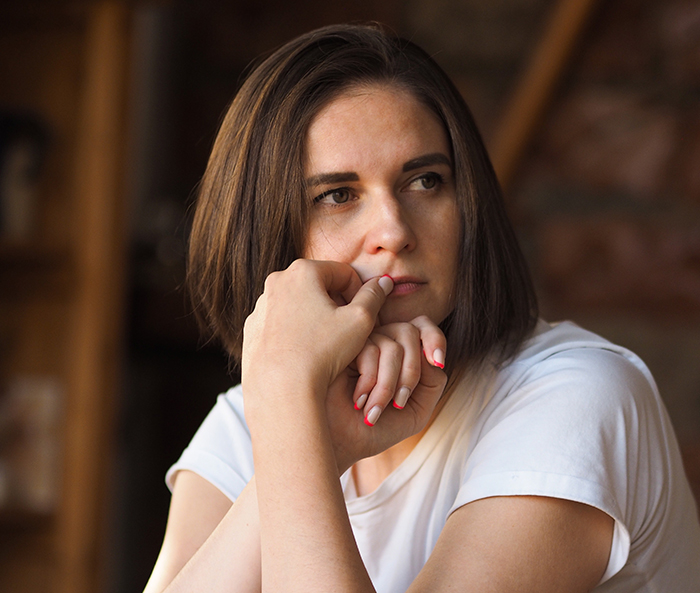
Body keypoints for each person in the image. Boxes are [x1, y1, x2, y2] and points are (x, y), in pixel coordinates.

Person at [143, 23, 700, 593]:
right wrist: (306, 431)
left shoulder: (578, 397)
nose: (394, 230)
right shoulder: (256, 418)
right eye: (338, 195)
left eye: (426, 181)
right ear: (263, 233)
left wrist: (292, 422)